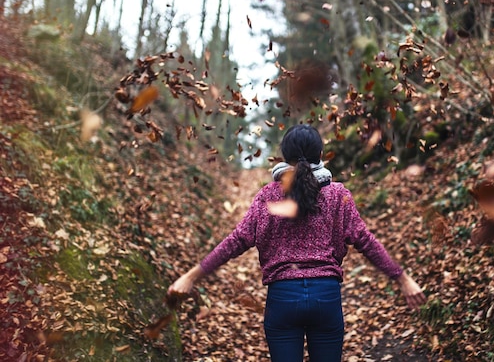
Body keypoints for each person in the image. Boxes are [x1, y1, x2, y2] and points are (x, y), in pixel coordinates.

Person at [168, 124, 427, 362]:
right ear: (321, 153)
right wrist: (403, 279)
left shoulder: (267, 196)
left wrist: (191, 277)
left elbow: (237, 241)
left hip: (282, 300)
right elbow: (365, 241)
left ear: (283, 156)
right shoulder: (338, 194)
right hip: (326, 298)